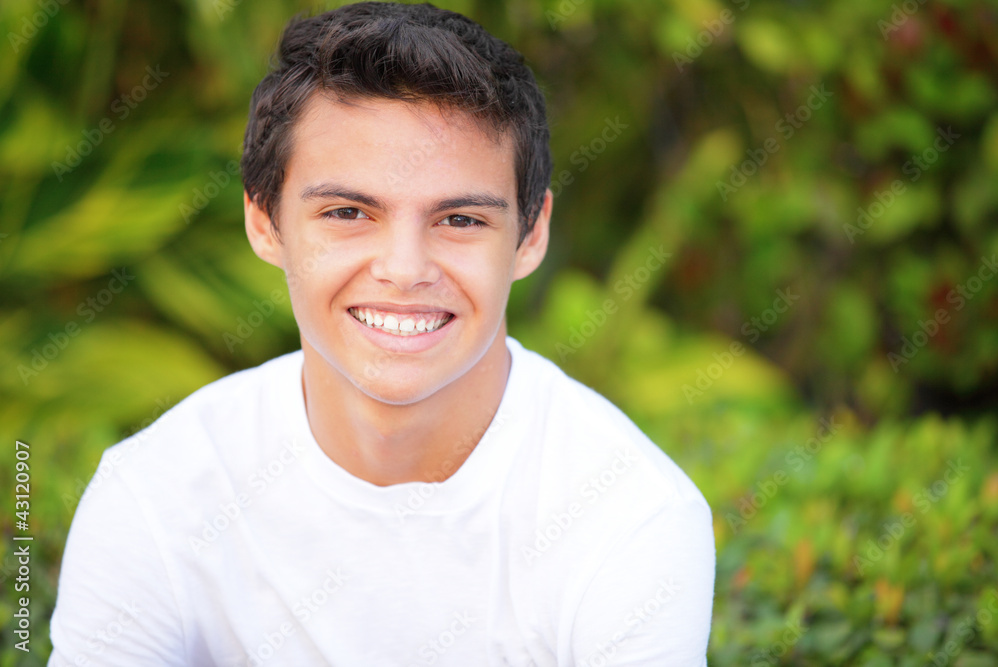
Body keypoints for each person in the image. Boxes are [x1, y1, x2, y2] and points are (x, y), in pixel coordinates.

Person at [47, 3, 715, 665]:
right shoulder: (155, 498)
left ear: (531, 234)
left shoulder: (630, 518)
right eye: (347, 212)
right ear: (264, 222)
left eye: (460, 220)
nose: (404, 269)